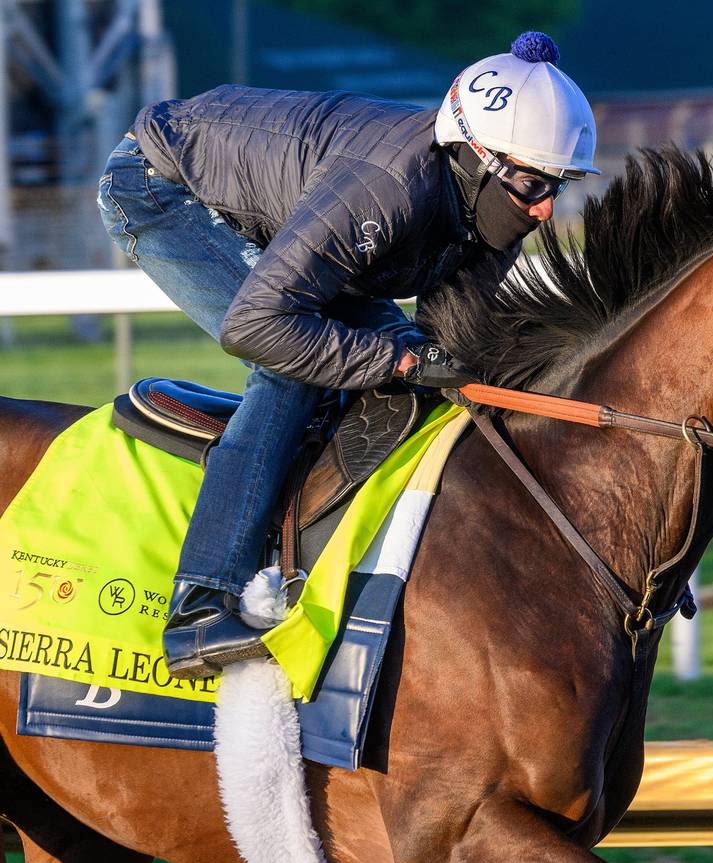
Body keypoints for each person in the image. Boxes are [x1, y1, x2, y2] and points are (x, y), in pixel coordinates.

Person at [98, 31, 597, 680]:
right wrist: (400, 363)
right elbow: (258, 326)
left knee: (404, 370)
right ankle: (199, 606)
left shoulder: (489, 213)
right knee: (291, 370)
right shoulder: (388, 190)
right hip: (161, 185)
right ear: (477, 158)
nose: (547, 206)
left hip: (294, 208)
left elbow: (447, 346)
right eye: (533, 183)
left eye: (559, 184)